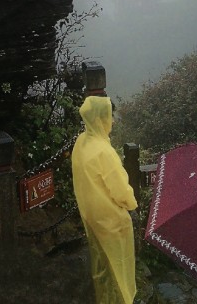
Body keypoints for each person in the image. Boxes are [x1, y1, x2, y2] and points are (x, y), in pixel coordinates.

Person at [71, 95, 137, 304]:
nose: (113, 120)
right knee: (117, 271)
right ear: (100, 120)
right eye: (109, 116)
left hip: (91, 218)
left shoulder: (81, 142)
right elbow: (120, 191)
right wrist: (133, 206)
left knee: (100, 267)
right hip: (111, 222)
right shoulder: (104, 152)